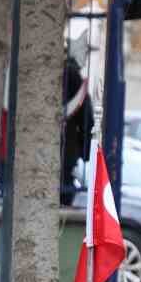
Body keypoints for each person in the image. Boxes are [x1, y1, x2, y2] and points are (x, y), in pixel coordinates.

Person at [59, 56, 93, 207]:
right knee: (64, 188)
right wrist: (85, 149)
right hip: (67, 146)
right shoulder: (73, 76)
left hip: (66, 145)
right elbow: (86, 118)